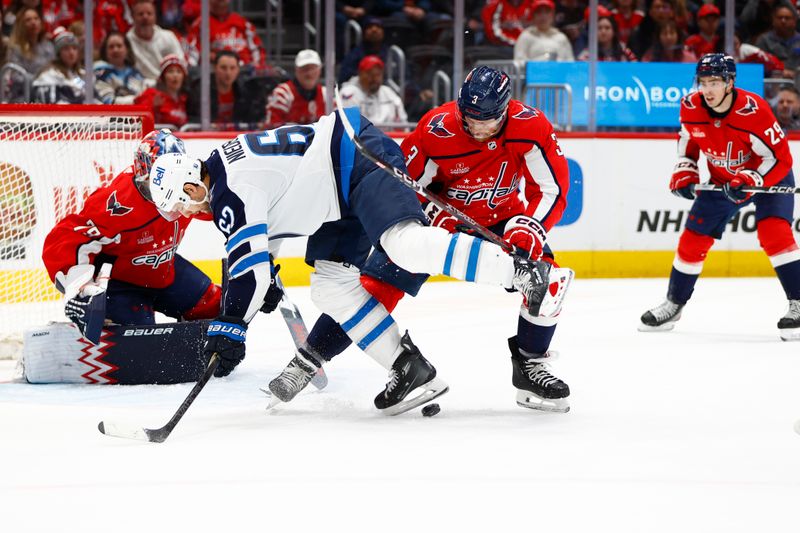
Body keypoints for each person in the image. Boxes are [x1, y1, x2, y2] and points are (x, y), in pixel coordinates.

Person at [146, 106, 553, 414]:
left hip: (354, 158)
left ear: (189, 182)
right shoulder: (225, 171)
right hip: (335, 191)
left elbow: (245, 269)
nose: (186, 214)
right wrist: (262, 275)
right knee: (331, 287)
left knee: (402, 243)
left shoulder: (228, 192)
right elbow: (256, 242)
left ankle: (518, 271)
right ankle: (407, 367)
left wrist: (232, 323)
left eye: (182, 205)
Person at [398, 66, 572, 411]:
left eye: (487, 120)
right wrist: (434, 214)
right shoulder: (436, 129)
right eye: (469, 118)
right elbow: (403, 187)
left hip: (503, 219)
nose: (477, 128)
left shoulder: (531, 125)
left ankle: (530, 365)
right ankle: (339, 358)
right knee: (382, 276)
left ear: (505, 110)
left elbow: (551, 188)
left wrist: (530, 227)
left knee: (549, 281)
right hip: (443, 225)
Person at [640, 54, 800, 341]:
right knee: (692, 239)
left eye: (715, 82)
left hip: (767, 179)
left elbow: (780, 159)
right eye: (703, 82)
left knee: (774, 233)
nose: (708, 90)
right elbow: (688, 141)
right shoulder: (691, 106)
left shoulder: (754, 111)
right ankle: (674, 304)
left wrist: (752, 179)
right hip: (723, 181)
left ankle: (799, 303)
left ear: (730, 82)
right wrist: (686, 169)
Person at [42, 129, 220, 338]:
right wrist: (80, 288)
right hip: (121, 285)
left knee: (214, 305)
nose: (165, 192)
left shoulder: (189, 189)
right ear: (142, 174)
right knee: (142, 339)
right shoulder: (118, 204)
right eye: (155, 183)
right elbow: (65, 238)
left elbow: (221, 207)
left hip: (164, 269)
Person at [186, 0, 266, 70]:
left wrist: (257, 67)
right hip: (216, 73)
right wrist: (205, 56)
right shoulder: (200, 24)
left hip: (245, 71)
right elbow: (192, 56)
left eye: (223, 0)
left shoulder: (242, 23)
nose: (220, 3)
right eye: (218, 0)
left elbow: (257, 50)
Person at [265, 49, 326, 128]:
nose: (309, 73)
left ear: (319, 70)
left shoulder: (327, 94)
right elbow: (272, 126)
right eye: (304, 69)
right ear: (296, 70)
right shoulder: (283, 93)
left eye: (313, 68)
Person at [126, 0, 184, 83]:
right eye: (140, 14)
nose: (145, 17)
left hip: (169, 84)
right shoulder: (126, 41)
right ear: (133, 17)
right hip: (142, 87)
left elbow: (180, 63)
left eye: (149, 13)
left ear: (155, 16)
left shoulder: (168, 37)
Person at [339, 55, 407, 125]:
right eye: (370, 74)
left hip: (388, 135)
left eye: (378, 74)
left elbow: (403, 124)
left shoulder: (388, 93)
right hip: (361, 135)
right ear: (360, 73)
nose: (374, 78)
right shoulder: (349, 93)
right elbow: (350, 126)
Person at [32, 26, 88, 104]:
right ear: (58, 53)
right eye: (66, 49)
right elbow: (53, 106)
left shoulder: (82, 74)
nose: (71, 53)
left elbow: (96, 100)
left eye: (74, 48)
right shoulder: (48, 76)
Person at [135, 53, 188, 127]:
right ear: (163, 77)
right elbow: (137, 121)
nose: (175, 75)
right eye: (170, 71)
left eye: (179, 71)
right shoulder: (151, 94)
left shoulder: (184, 100)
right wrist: (153, 108)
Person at [93, 30, 147, 104]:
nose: (115, 50)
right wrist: (135, 100)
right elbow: (108, 101)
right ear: (105, 51)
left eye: (119, 46)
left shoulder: (135, 73)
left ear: (127, 49)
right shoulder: (100, 72)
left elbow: (144, 97)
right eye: (111, 47)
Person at [6, 6, 54, 77]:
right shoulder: (15, 48)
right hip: (25, 87)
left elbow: (54, 70)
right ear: (21, 25)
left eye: (36, 18)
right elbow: (16, 76)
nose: (33, 22)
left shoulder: (48, 46)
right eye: (28, 20)